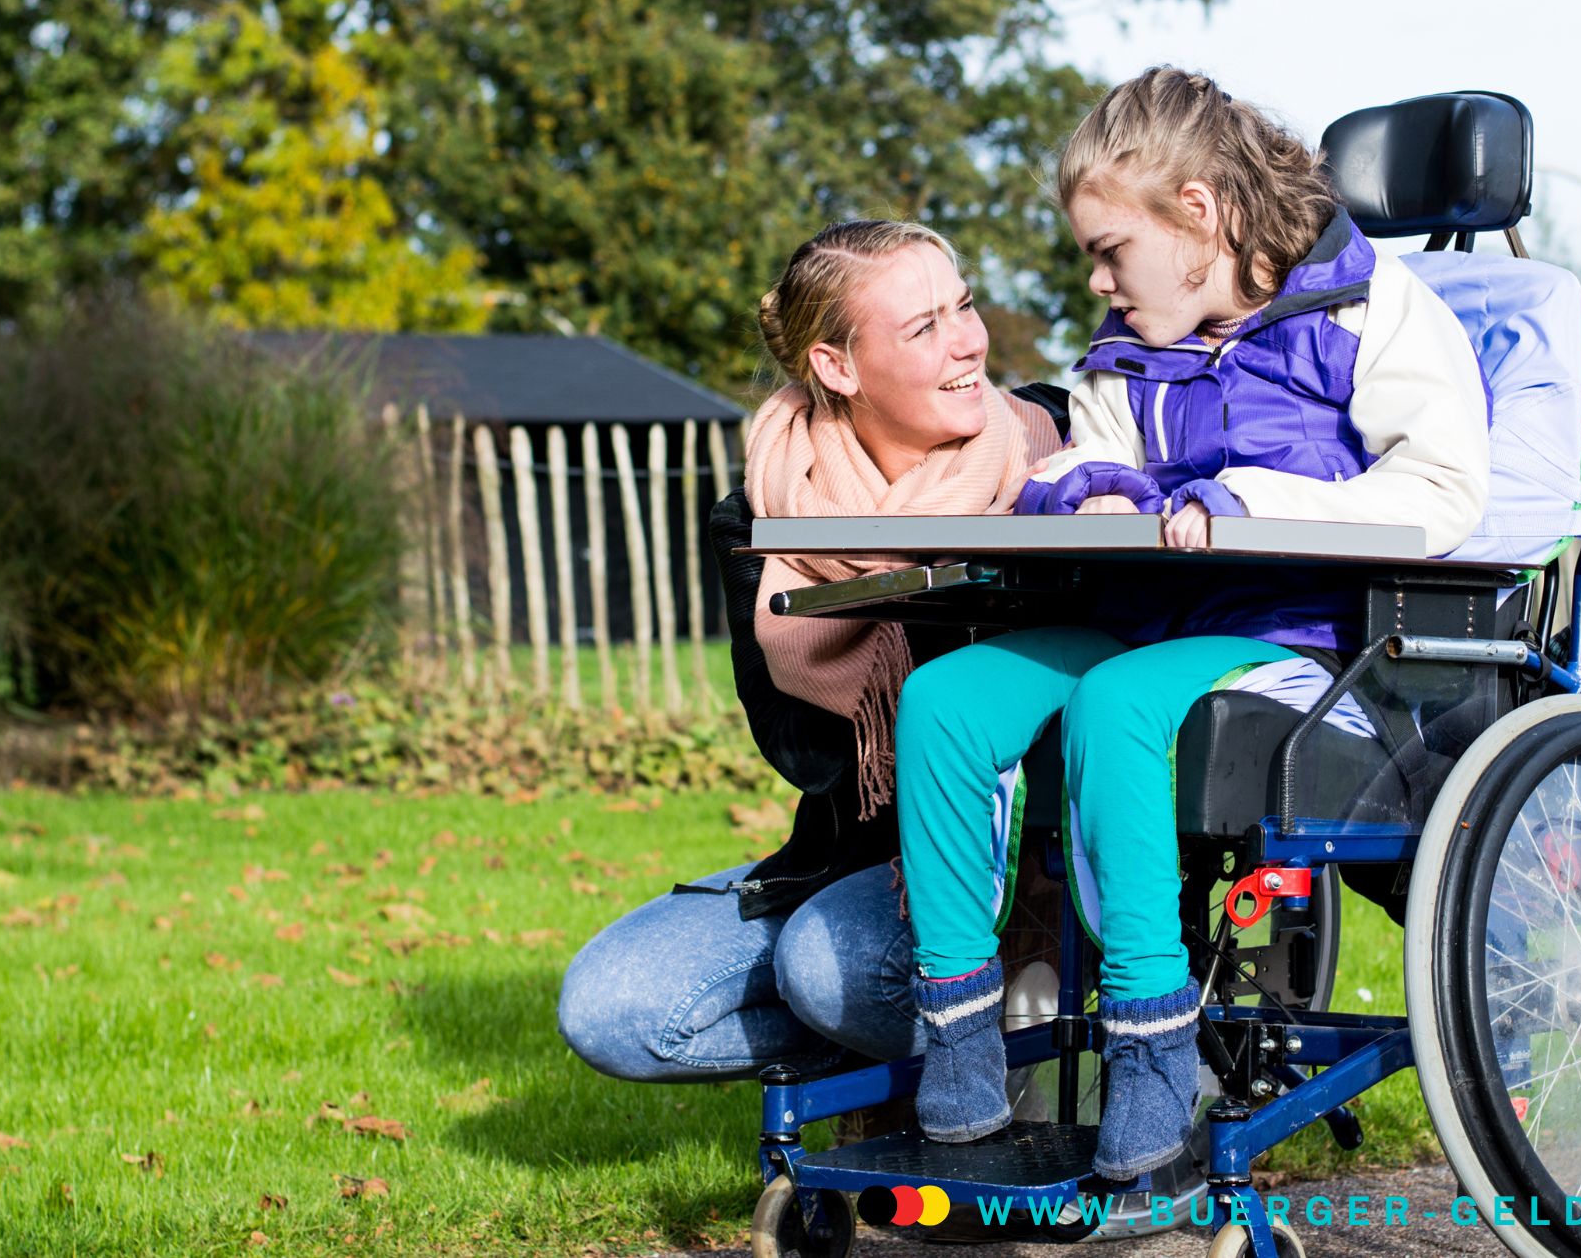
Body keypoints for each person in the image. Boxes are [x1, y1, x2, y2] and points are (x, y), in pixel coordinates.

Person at [896, 67, 1492, 1181]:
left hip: (1304, 639)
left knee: (1122, 704)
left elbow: (1446, 496)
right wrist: (1088, 490)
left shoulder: (1370, 313)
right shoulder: (1132, 340)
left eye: (1110, 250)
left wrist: (1245, 500)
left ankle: (1154, 1052)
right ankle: (962, 1041)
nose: (1098, 278)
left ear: (1199, 215)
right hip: (1142, 619)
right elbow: (1088, 452)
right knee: (945, 702)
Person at [557, 220, 1062, 1088]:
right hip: (862, 853)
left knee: (827, 968)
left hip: (1039, 859)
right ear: (837, 367)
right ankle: (932, 1053)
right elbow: (806, 749)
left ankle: (1049, 1039)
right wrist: (886, 579)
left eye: (964, 306)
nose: (968, 342)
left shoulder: (1052, 455)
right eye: (923, 326)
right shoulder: (765, 514)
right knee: (615, 1008)